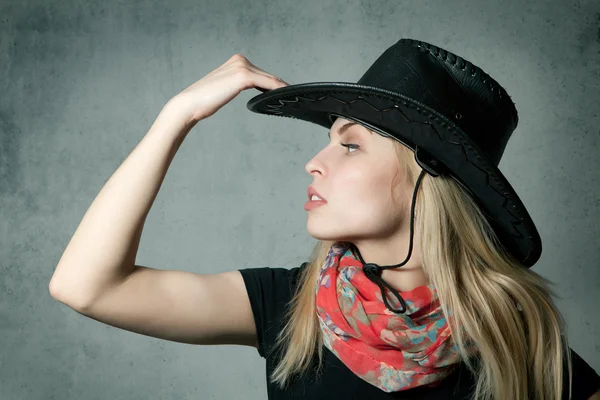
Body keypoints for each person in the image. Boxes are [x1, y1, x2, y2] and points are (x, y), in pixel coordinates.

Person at [48, 38, 600, 400]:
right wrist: (177, 116)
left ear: (429, 175)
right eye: (327, 140)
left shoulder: (519, 341)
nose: (315, 162)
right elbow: (86, 287)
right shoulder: (290, 307)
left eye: (352, 146)